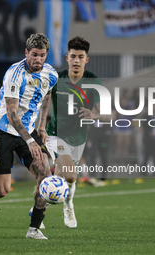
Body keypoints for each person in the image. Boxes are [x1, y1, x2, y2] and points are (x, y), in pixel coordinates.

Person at [0, 33, 58, 240]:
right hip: (4, 130)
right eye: (34, 55)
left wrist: (41, 126)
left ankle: (34, 229)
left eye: (42, 55)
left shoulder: (50, 74)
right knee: (2, 190)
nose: (38, 60)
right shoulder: (14, 74)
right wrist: (31, 141)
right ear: (26, 53)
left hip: (30, 130)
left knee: (45, 176)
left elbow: (47, 94)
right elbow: (12, 114)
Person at [44, 36, 105, 228]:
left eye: (80, 56)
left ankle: (39, 206)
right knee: (70, 175)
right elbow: (44, 102)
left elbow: (108, 113)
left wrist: (92, 114)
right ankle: (68, 206)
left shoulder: (93, 82)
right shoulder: (56, 79)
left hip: (78, 138)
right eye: (73, 56)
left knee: (62, 178)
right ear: (67, 58)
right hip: (55, 134)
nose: (76, 60)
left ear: (86, 59)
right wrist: (39, 127)